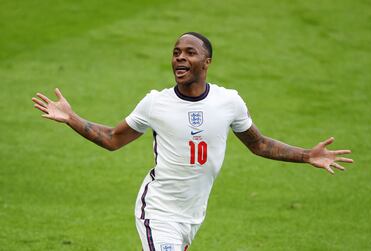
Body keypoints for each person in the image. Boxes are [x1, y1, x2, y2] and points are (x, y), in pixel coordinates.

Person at [32, 32, 353, 251]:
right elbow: (114, 140)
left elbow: (259, 144)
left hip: (193, 215)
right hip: (156, 212)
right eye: (175, 53)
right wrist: (72, 118)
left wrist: (307, 155)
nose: (179, 58)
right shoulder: (155, 103)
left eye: (189, 52)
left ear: (207, 62)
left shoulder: (229, 102)